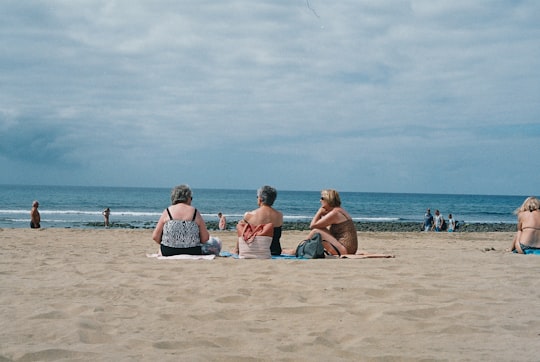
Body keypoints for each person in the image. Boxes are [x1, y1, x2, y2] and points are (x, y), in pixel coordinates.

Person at [152, 185, 221, 256]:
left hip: (168, 251)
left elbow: (155, 236)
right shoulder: (194, 212)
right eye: (191, 198)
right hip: (192, 251)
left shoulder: (167, 211)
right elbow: (205, 238)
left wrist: (170, 242)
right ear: (188, 198)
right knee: (217, 242)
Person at [232, 185, 283, 257]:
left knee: (241, 225)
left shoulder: (249, 215)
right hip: (275, 251)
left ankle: (236, 249)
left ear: (260, 199)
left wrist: (236, 249)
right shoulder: (279, 216)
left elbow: (242, 234)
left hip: (255, 250)